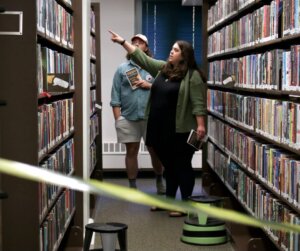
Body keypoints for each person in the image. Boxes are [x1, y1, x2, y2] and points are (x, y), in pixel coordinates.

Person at [109, 30, 207, 217]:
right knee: (169, 167)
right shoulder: (163, 69)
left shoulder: (192, 76)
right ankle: (169, 201)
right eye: (171, 49)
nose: (171, 52)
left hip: (181, 130)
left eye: (175, 50)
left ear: (184, 55)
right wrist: (122, 42)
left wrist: (201, 126)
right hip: (160, 129)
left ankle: (186, 205)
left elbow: (198, 103)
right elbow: (142, 59)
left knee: (182, 165)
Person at [110, 33, 166, 194]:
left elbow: (165, 89)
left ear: (146, 48)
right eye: (133, 42)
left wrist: (149, 85)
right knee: (131, 151)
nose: (136, 45)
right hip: (128, 118)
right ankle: (132, 186)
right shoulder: (122, 69)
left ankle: (159, 179)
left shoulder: (155, 68)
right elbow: (115, 96)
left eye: (140, 43)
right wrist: (118, 119)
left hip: (151, 118)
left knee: (155, 151)